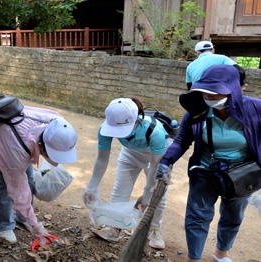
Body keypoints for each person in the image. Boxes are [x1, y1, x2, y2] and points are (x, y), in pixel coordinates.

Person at [156, 64, 261, 261]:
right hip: (205, 171)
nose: (210, 99)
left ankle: (221, 253)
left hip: (241, 174)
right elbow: (181, 141)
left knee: (233, 217)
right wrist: (166, 161)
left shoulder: (255, 109)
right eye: (206, 94)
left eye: (216, 94)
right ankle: (193, 258)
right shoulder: (197, 111)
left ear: (234, 90)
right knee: (197, 218)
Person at [0, 108, 78, 244]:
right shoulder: (18, 156)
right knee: (6, 183)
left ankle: (22, 218)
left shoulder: (59, 125)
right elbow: (17, 189)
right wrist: (36, 225)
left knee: (28, 178)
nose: (57, 161)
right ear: (40, 145)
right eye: (54, 155)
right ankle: (3, 226)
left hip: (11, 136)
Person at [83, 97, 172, 249]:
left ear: (136, 119)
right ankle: (115, 227)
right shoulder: (104, 128)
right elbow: (102, 159)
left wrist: (147, 194)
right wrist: (92, 186)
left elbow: (154, 167)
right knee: (120, 190)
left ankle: (154, 230)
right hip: (130, 153)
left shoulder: (154, 131)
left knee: (158, 194)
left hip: (157, 154)